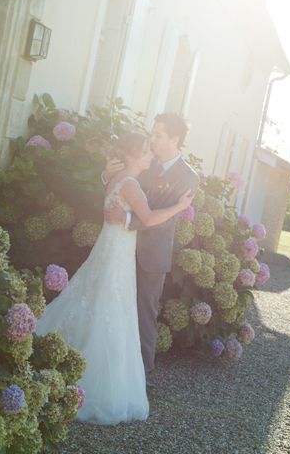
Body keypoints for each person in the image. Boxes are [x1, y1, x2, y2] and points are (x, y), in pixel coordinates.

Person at [36, 131, 193, 425]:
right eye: (145, 152)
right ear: (132, 156)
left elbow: (125, 208)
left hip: (112, 249)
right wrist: (180, 207)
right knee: (110, 309)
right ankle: (94, 383)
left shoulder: (114, 179)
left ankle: (57, 356)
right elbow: (147, 219)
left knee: (94, 302)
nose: (150, 156)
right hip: (117, 254)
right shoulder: (130, 184)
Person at [104, 112, 200, 386]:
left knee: (145, 312)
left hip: (151, 254)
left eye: (158, 135)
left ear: (175, 138)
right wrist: (107, 176)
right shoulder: (146, 161)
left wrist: (126, 220)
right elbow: (125, 188)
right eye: (152, 133)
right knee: (115, 305)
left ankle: (141, 377)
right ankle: (113, 368)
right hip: (121, 247)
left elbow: (161, 216)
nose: (152, 139)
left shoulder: (189, 177)